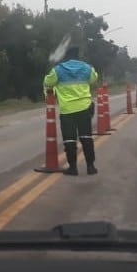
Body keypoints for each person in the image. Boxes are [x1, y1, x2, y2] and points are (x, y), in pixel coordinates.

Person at [44, 46, 99, 176]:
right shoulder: (86, 68)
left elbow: (48, 82)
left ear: (66, 56)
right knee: (86, 137)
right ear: (78, 55)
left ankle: (73, 168)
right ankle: (90, 167)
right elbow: (94, 78)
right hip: (84, 108)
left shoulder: (58, 70)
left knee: (69, 140)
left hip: (67, 110)